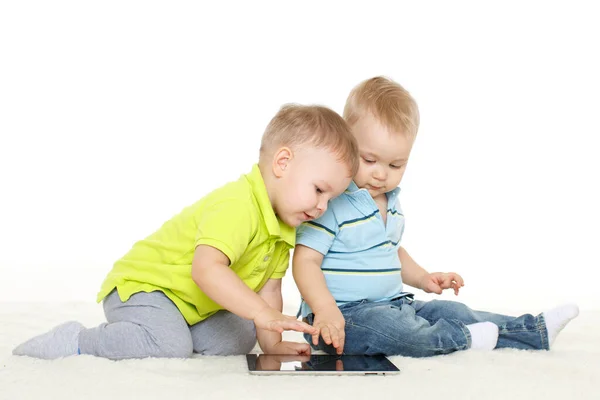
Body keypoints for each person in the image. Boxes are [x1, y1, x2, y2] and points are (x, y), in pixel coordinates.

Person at [13, 104, 359, 360]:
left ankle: (170, 333)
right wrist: (260, 313)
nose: (322, 207)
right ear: (282, 163)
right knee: (170, 346)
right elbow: (206, 270)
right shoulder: (237, 204)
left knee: (238, 339)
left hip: (190, 307)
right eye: (318, 190)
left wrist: (272, 343)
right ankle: (77, 340)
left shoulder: (284, 228)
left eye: (331, 198)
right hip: (144, 288)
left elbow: (270, 291)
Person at [292, 77, 579, 357]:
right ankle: (465, 339)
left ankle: (532, 331)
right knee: (398, 330)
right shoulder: (330, 201)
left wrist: (423, 278)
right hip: (342, 319)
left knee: (454, 312)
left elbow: (392, 252)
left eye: (395, 164)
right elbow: (306, 260)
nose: (381, 174)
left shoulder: (391, 203)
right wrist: (326, 309)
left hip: (396, 304)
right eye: (369, 160)